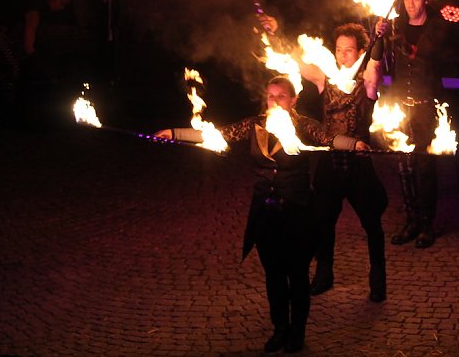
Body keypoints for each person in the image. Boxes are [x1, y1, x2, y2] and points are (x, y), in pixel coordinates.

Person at [153, 75, 364, 354]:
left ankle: (297, 333)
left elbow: (329, 138)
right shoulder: (255, 124)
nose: (274, 101)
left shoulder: (303, 126)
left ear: (293, 99)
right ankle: (280, 329)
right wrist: (174, 132)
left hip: (297, 210)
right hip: (266, 210)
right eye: (270, 96)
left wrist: (354, 145)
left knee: (297, 275)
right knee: (273, 273)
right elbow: (218, 134)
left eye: (281, 96)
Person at [261, 16, 388, 302]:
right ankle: (324, 272)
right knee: (321, 221)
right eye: (339, 49)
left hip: (358, 166)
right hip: (330, 165)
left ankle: (378, 275)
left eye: (349, 50)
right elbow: (294, 59)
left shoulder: (366, 83)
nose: (343, 55)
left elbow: (376, 65)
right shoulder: (325, 81)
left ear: (359, 53)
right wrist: (276, 31)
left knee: (371, 223)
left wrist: (380, 38)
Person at [375, 0, 459, 249]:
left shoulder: (437, 28)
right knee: (404, 167)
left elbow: (426, 53)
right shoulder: (395, 27)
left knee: (425, 167)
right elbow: (378, 57)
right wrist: (379, 34)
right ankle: (411, 220)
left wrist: (396, 37)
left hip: (426, 110)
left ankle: (426, 224)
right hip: (403, 109)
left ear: (425, 0)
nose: (410, 4)